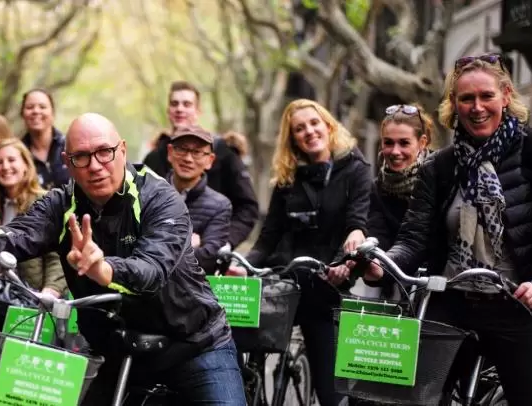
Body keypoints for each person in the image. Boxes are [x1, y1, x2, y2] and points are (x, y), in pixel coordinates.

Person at [0, 113, 246, 404]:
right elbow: (21, 232)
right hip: (120, 350)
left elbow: (152, 271)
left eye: (105, 152)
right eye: (82, 157)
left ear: (123, 150)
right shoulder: (61, 203)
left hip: (196, 345)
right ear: (67, 163)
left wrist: (104, 270)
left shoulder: (160, 198)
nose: (95, 166)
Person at [363, 53, 532, 406]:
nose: (477, 107)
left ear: (505, 96)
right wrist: (381, 264)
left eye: (486, 96)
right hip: (451, 302)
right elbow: (413, 236)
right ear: (454, 104)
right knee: (408, 397)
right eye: (466, 98)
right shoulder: (439, 166)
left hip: (520, 305)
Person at [240, 99, 372, 406]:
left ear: (327, 125)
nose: (309, 131)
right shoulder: (288, 179)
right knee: (242, 341)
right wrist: (244, 266)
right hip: (286, 280)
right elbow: (267, 238)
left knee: (331, 391)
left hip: (327, 283)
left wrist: (345, 263)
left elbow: (357, 222)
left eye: (314, 123)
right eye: (299, 129)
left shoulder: (355, 169)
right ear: (292, 138)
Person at [142, 81, 260, 249]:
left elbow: (247, 207)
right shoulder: (154, 158)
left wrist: (221, 243)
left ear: (198, 111)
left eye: (187, 104)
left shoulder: (224, 153)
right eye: (174, 103)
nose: (180, 109)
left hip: (207, 253)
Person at [0, 138, 68, 296]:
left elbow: (57, 256)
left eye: (12, 160)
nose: (5, 167)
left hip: (34, 299)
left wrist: (50, 291)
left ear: (26, 165)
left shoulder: (45, 202)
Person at [164, 125, 231, 274]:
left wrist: (157, 250)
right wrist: (187, 244)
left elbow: (208, 259)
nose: (188, 158)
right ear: (170, 152)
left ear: (210, 160)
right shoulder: (147, 194)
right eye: (181, 149)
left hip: (191, 293)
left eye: (197, 152)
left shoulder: (220, 206)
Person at [368, 104, 434, 250]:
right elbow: (377, 234)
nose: (395, 151)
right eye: (388, 143)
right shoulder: (378, 187)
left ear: (422, 143)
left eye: (404, 143)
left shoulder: (439, 176)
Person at [20, 88, 70, 190]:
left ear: (52, 113)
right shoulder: (17, 153)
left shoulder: (70, 146)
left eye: (42, 107)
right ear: (22, 114)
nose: (36, 111)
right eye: (30, 107)